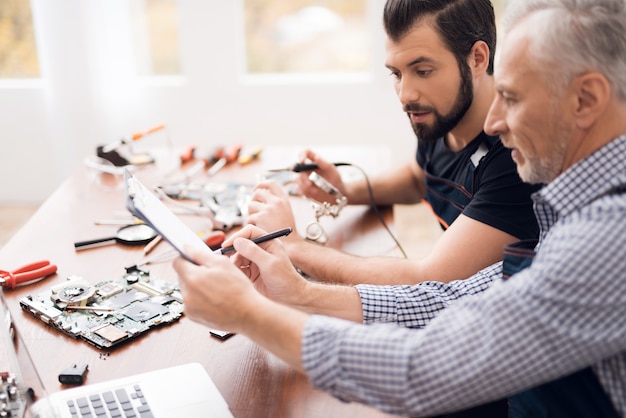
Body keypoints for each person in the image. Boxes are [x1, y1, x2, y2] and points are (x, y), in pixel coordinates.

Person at [174, 0, 626, 416]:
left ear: (585, 100)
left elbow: (422, 369)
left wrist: (249, 312)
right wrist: (297, 293)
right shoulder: (572, 205)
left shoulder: (607, 237)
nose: (493, 121)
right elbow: (455, 296)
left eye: (512, 97)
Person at [247, 0, 541, 286]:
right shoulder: (443, 116)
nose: (405, 95)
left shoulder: (517, 155)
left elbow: (428, 278)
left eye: (423, 71)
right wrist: (345, 190)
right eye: (396, 73)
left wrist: (295, 247)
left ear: (477, 58)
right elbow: (419, 178)